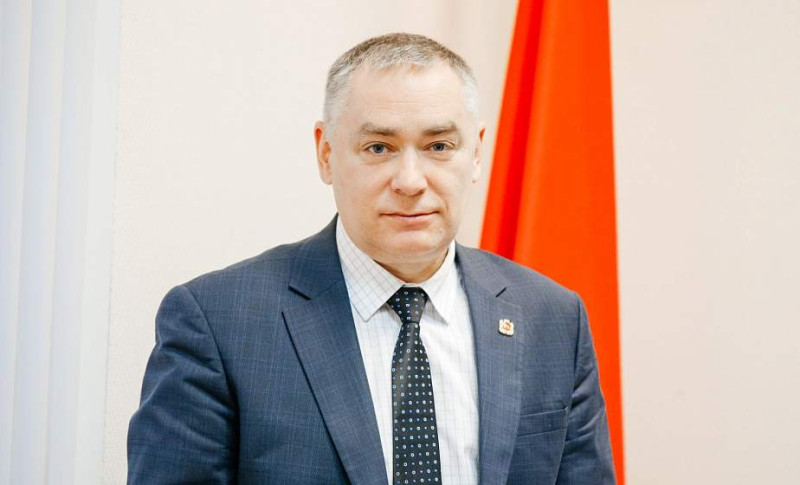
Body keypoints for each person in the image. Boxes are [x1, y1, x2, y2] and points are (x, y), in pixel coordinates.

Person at [127, 33, 615, 484]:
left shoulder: (553, 318)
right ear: (326, 153)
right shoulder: (218, 322)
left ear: (476, 153)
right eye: (379, 147)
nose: (410, 181)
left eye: (439, 146)